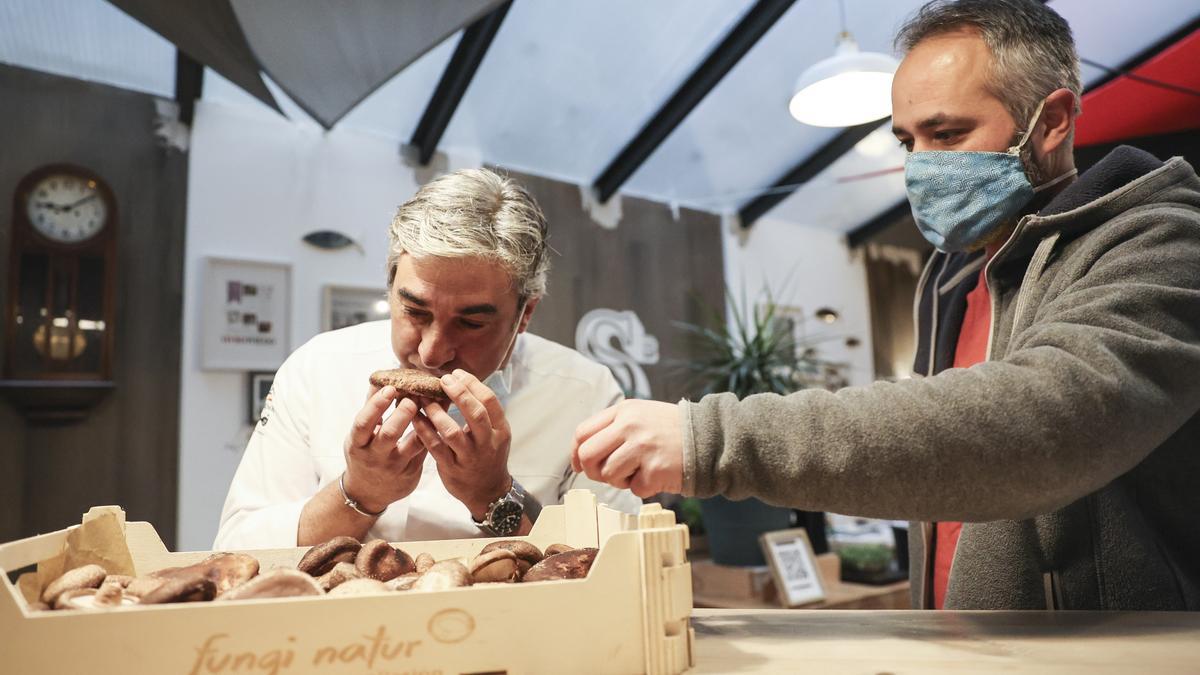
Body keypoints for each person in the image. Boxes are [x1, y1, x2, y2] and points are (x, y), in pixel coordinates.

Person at [572, 0, 1200, 611]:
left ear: (1053, 120)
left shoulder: (1160, 241)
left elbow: (1049, 417)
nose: (921, 165)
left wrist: (709, 438)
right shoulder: (949, 280)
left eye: (947, 133)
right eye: (908, 140)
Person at [215, 168, 640, 550]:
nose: (432, 351)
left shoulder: (585, 395)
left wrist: (493, 494)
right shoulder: (316, 370)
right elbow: (238, 547)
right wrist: (360, 493)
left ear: (524, 314)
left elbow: (615, 567)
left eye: (471, 323)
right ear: (390, 287)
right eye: (415, 312)